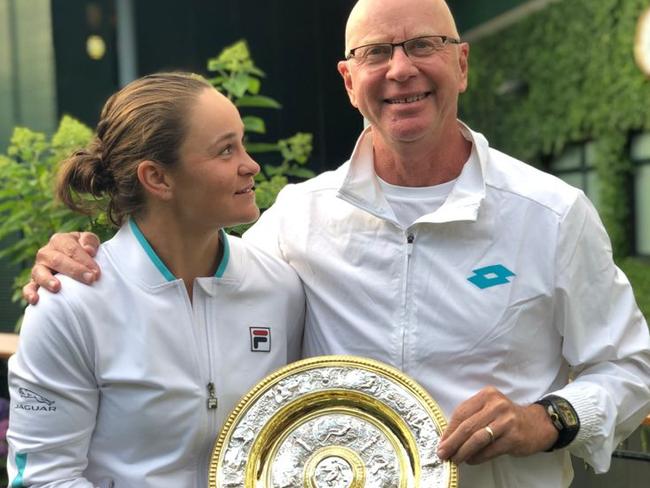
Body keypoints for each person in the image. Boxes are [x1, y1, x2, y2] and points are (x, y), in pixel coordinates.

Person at [23, 0, 650, 486]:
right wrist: (77, 260)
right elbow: (182, 265)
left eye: (423, 45)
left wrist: (548, 419)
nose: (400, 69)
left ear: (461, 62)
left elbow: (630, 365)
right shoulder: (297, 220)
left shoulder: (550, 213)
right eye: (376, 52)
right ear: (349, 80)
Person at [7, 72, 304, 487]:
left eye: (243, 142)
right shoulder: (69, 304)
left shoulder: (279, 287)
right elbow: (45, 477)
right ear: (158, 178)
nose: (250, 165)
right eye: (225, 150)